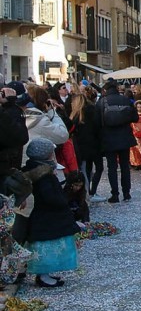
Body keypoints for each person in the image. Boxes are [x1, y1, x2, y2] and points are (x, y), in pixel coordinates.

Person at [20, 138, 79, 287]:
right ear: (46, 155)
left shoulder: (40, 170)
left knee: (50, 245)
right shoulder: (43, 174)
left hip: (47, 216)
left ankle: (45, 274)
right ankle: (43, 275)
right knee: (47, 247)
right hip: (47, 217)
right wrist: (61, 200)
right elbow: (49, 196)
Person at [96, 81, 138, 203]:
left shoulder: (102, 102)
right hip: (124, 137)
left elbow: (97, 122)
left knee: (112, 167)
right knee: (125, 166)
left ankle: (115, 194)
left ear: (105, 89)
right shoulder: (125, 100)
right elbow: (135, 118)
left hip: (108, 138)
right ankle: (126, 193)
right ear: (116, 88)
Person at [68, 92, 101, 193]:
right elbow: (98, 127)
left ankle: (87, 192)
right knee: (98, 168)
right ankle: (93, 190)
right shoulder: (92, 111)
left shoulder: (75, 116)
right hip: (94, 144)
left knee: (86, 169)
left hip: (81, 146)